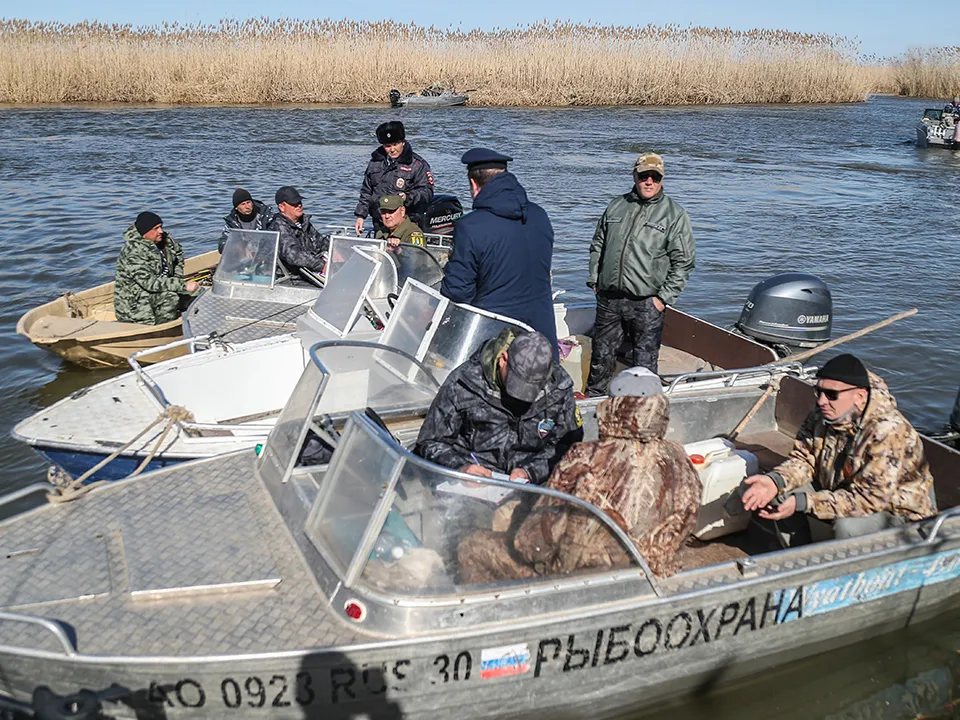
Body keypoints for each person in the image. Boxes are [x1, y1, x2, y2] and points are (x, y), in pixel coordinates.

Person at [457, 366, 702, 584]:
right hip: (648, 577)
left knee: (472, 546)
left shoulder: (585, 457)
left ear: (614, 407)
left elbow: (532, 545)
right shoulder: (680, 460)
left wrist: (517, 538)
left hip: (577, 581)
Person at [740, 354, 937, 546]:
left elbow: (871, 498)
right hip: (843, 491)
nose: (821, 401)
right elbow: (804, 458)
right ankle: (802, 559)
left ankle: (848, 575)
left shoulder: (888, 432)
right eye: (819, 391)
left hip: (899, 515)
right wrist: (776, 481)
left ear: (859, 396)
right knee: (778, 492)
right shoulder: (823, 414)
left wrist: (805, 502)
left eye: (831, 395)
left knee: (848, 527)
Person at [584, 152, 696, 395]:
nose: (649, 182)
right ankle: (594, 404)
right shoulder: (616, 205)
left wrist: (662, 298)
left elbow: (684, 262)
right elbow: (597, 245)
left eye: (655, 177)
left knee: (644, 365)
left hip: (647, 303)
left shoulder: (674, 214)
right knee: (600, 357)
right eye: (644, 175)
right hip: (609, 299)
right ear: (634, 175)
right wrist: (595, 280)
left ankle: (642, 413)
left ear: (662, 180)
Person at [415, 329, 582, 485]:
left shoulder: (559, 388)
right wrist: (461, 468)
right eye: (516, 382)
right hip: (472, 480)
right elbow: (430, 442)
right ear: (503, 359)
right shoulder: (464, 382)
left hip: (529, 485)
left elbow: (569, 447)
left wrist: (531, 472)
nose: (521, 396)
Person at [440, 148, 558, 355]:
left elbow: (458, 292)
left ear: (474, 184)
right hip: (542, 339)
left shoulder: (470, 227)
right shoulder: (540, 216)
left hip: (495, 342)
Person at [114, 211, 199, 325]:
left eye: (161, 227)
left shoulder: (165, 240)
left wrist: (177, 278)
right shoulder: (133, 251)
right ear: (145, 232)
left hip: (163, 286)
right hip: (135, 300)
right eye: (156, 228)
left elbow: (178, 255)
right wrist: (182, 286)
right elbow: (149, 282)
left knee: (199, 293)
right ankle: (161, 327)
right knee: (170, 298)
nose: (161, 231)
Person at [354, 121, 434, 234]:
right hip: (380, 224)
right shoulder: (375, 163)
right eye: (388, 146)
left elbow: (427, 193)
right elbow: (366, 192)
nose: (392, 149)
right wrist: (360, 216)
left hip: (408, 225)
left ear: (403, 142)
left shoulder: (417, 165)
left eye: (395, 144)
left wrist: (407, 197)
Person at [266, 186, 328, 274]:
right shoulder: (278, 226)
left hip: (308, 270)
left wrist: (337, 249)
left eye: (299, 202)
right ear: (281, 207)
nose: (299, 205)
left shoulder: (303, 223)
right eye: (293, 203)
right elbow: (292, 254)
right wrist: (321, 265)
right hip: (288, 276)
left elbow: (319, 241)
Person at [217, 188, 274, 253]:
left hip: (266, 253)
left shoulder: (265, 215)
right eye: (243, 204)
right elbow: (222, 245)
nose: (247, 206)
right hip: (243, 256)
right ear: (236, 208)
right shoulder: (232, 221)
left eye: (248, 202)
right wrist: (238, 247)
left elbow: (273, 238)